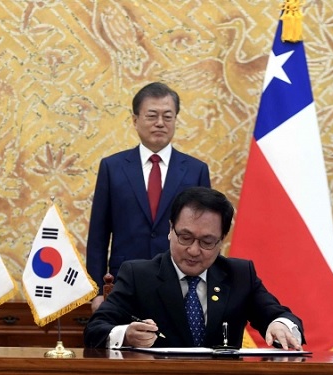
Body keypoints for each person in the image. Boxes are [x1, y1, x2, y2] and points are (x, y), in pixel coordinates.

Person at [84, 187, 304, 350]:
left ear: (221, 240)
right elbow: (94, 330)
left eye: (207, 242)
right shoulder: (138, 275)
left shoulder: (239, 275)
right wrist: (126, 335)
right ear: (171, 229)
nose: (193, 250)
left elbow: (283, 317)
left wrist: (280, 325)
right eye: (185, 237)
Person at [86, 82, 211, 312]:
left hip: (181, 282)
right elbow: (98, 236)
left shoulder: (196, 170)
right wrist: (96, 292)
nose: (160, 123)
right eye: (152, 115)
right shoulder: (112, 168)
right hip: (123, 283)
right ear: (135, 120)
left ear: (175, 120)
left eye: (167, 116)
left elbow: (206, 234)